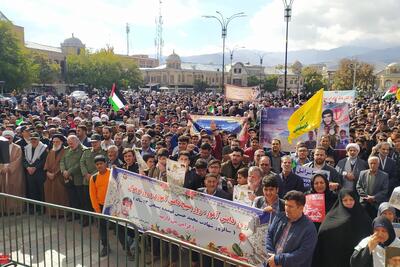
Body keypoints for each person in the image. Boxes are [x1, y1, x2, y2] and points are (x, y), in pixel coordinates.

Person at [312, 189, 372, 267]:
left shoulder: (363, 216)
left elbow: (369, 234)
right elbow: (324, 230)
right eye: (345, 200)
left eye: (351, 199)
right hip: (337, 257)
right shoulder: (332, 215)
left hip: (356, 257)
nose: (348, 202)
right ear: (340, 201)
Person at [266, 190, 317, 267]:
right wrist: (271, 257)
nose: (286, 208)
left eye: (290, 206)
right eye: (286, 205)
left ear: (301, 208)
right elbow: (269, 235)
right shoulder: (279, 217)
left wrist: (278, 260)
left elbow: (303, 254)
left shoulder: (309, 228)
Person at [89, 155, 111, 257]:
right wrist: (97, 209)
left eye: (101, 163)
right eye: (97, 164)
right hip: (101, 206)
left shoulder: (112, 173)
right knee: (102, 228)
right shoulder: (93, 178)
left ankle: (127, 248)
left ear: (105, 163)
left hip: (112, 205)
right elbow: (92, 195)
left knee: (119, 228)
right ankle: (105, 246)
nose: (99, 166)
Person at [43, 134, 69, 216]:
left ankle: (62, 213)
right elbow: (46, 163)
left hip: (60, 177)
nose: (55, 143)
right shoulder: (51, 151)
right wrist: (47, 173)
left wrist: (55, 173)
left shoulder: (66, 151)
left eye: (57, 142)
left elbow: (65, 164)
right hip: (49, 177)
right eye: (54, 142)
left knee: (61, 196)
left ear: (61, 142)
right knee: (50, 195)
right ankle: (52, 213)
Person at [0, 130, 25, 211]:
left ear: (12, 138)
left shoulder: (17, 148)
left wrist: (8, 168)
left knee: (14, 190)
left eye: (9, 137)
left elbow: (18, 160)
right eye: (6, 137)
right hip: (2, 172)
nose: (8, 138)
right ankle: (3, 209)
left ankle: (14, 210)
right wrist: (2, 168)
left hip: (14, 173)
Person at [23, 132, 48, 213]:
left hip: (39, 173)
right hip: (29, 173)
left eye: (35, 139)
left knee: (41, 191)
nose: (33, 141)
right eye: (32, 139)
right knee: (32, 191)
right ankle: (33, 208)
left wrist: (35, 168)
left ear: (38, 140)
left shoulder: (44, 148)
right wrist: (27, 167)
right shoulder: (26, 148)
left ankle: (41, 209)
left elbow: (44, 160)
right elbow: (23, 160)